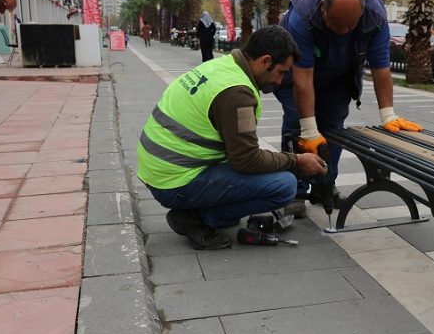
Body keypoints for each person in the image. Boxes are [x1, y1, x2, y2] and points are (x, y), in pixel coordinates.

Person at [136, 25, 328, 250]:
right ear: (265, 61)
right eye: (281, 72)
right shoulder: (237, 93)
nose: (280, 81)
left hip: (159, 169)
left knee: (267, 172)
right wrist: (295, 162)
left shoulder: (222, 66)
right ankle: (198, 219)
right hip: (174, 181)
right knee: (284, 185)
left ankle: (206, 210)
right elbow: (247, 160)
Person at [275, 0, 422, 218]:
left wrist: (388, 114)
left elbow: (381, 68)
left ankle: (325, 187)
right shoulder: (303, 16)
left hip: (339, 76)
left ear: (361, 14)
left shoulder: (375, 16)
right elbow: (303, 79)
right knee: (297, 128)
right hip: (297, 73)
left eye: (350, 26)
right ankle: (295, 192)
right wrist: (310, 129)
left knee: (333, 128)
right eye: (336, 24)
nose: (343, 31)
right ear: (323, 9)